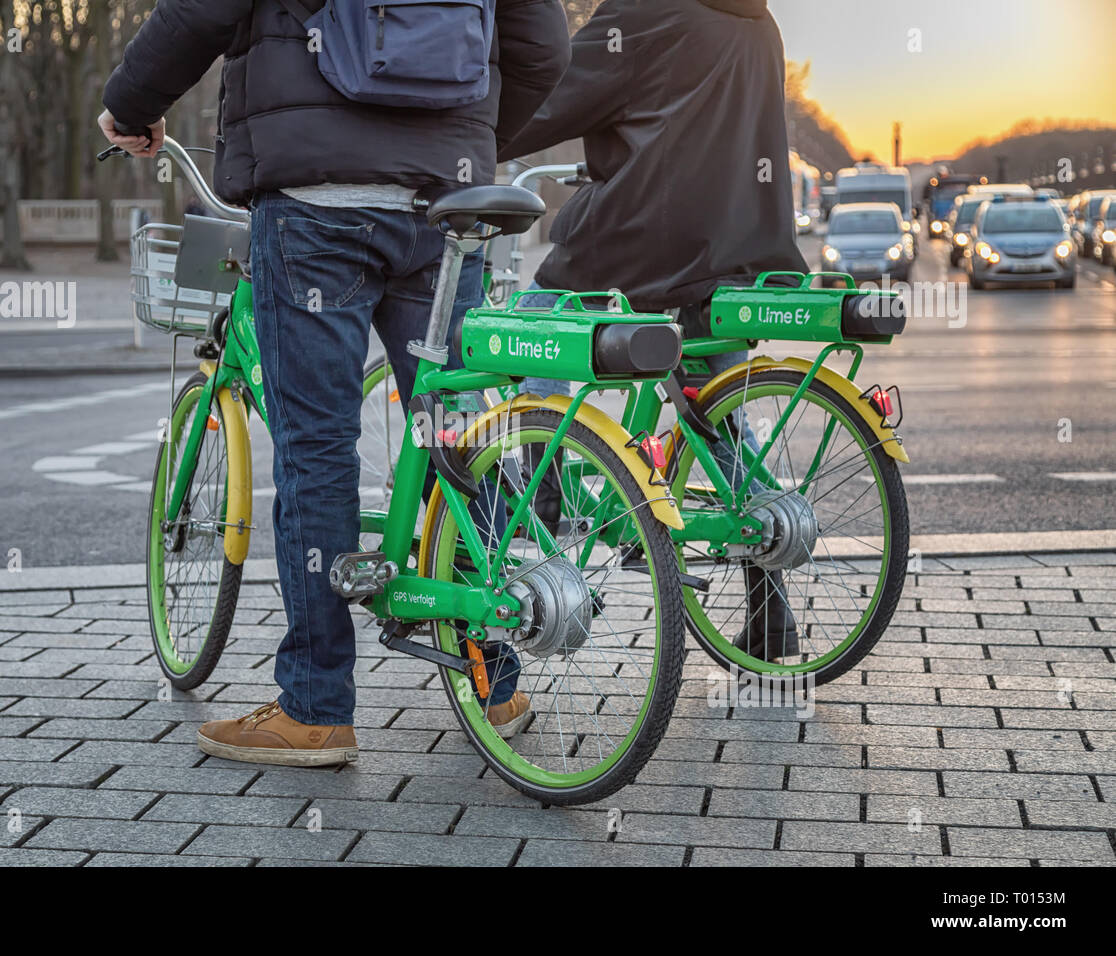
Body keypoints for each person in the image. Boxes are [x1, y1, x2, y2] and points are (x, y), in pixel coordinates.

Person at [99, 0, 571, 766]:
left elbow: (200, 13)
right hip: (445, 203)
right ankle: (496, 679)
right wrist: (462, 137)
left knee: (318, 448)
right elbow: (545, 47)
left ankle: (315, 707)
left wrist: (129, 107)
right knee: (453, 431)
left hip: (317, 209)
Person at [498, 0, 809, 660]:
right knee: (717, 417)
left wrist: (465, 140)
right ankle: (771, 609)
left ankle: (542, 472)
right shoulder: (756, 20)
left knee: (536, 315)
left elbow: (555, 99)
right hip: (736, 241)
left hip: (647, 235)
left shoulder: (650, 12)